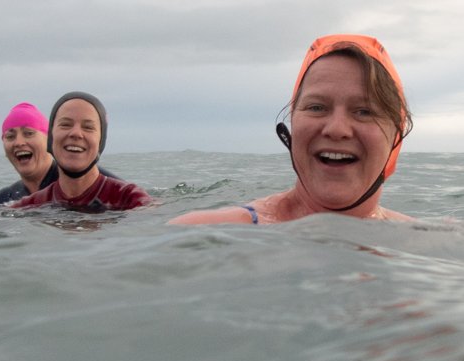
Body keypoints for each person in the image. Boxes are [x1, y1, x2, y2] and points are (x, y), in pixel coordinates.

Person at [169, 34, 414, 225]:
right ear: (293, 124)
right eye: (317, 107)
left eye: (364, 111)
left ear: (397, 135)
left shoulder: (431, 243)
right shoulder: (202, 233)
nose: (337, 129)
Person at [11, 92, 152, 212]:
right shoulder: (30, 206)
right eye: (65, 125)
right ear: (51, 137)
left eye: (88, 127)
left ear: (100, 141)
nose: (76, 133)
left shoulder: (131, 199)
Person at [0, 101, 121, 206]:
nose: (18, 142)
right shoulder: (6, 198)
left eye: (29, 133)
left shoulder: (88, 181)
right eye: (10, 137)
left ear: (50, 139)